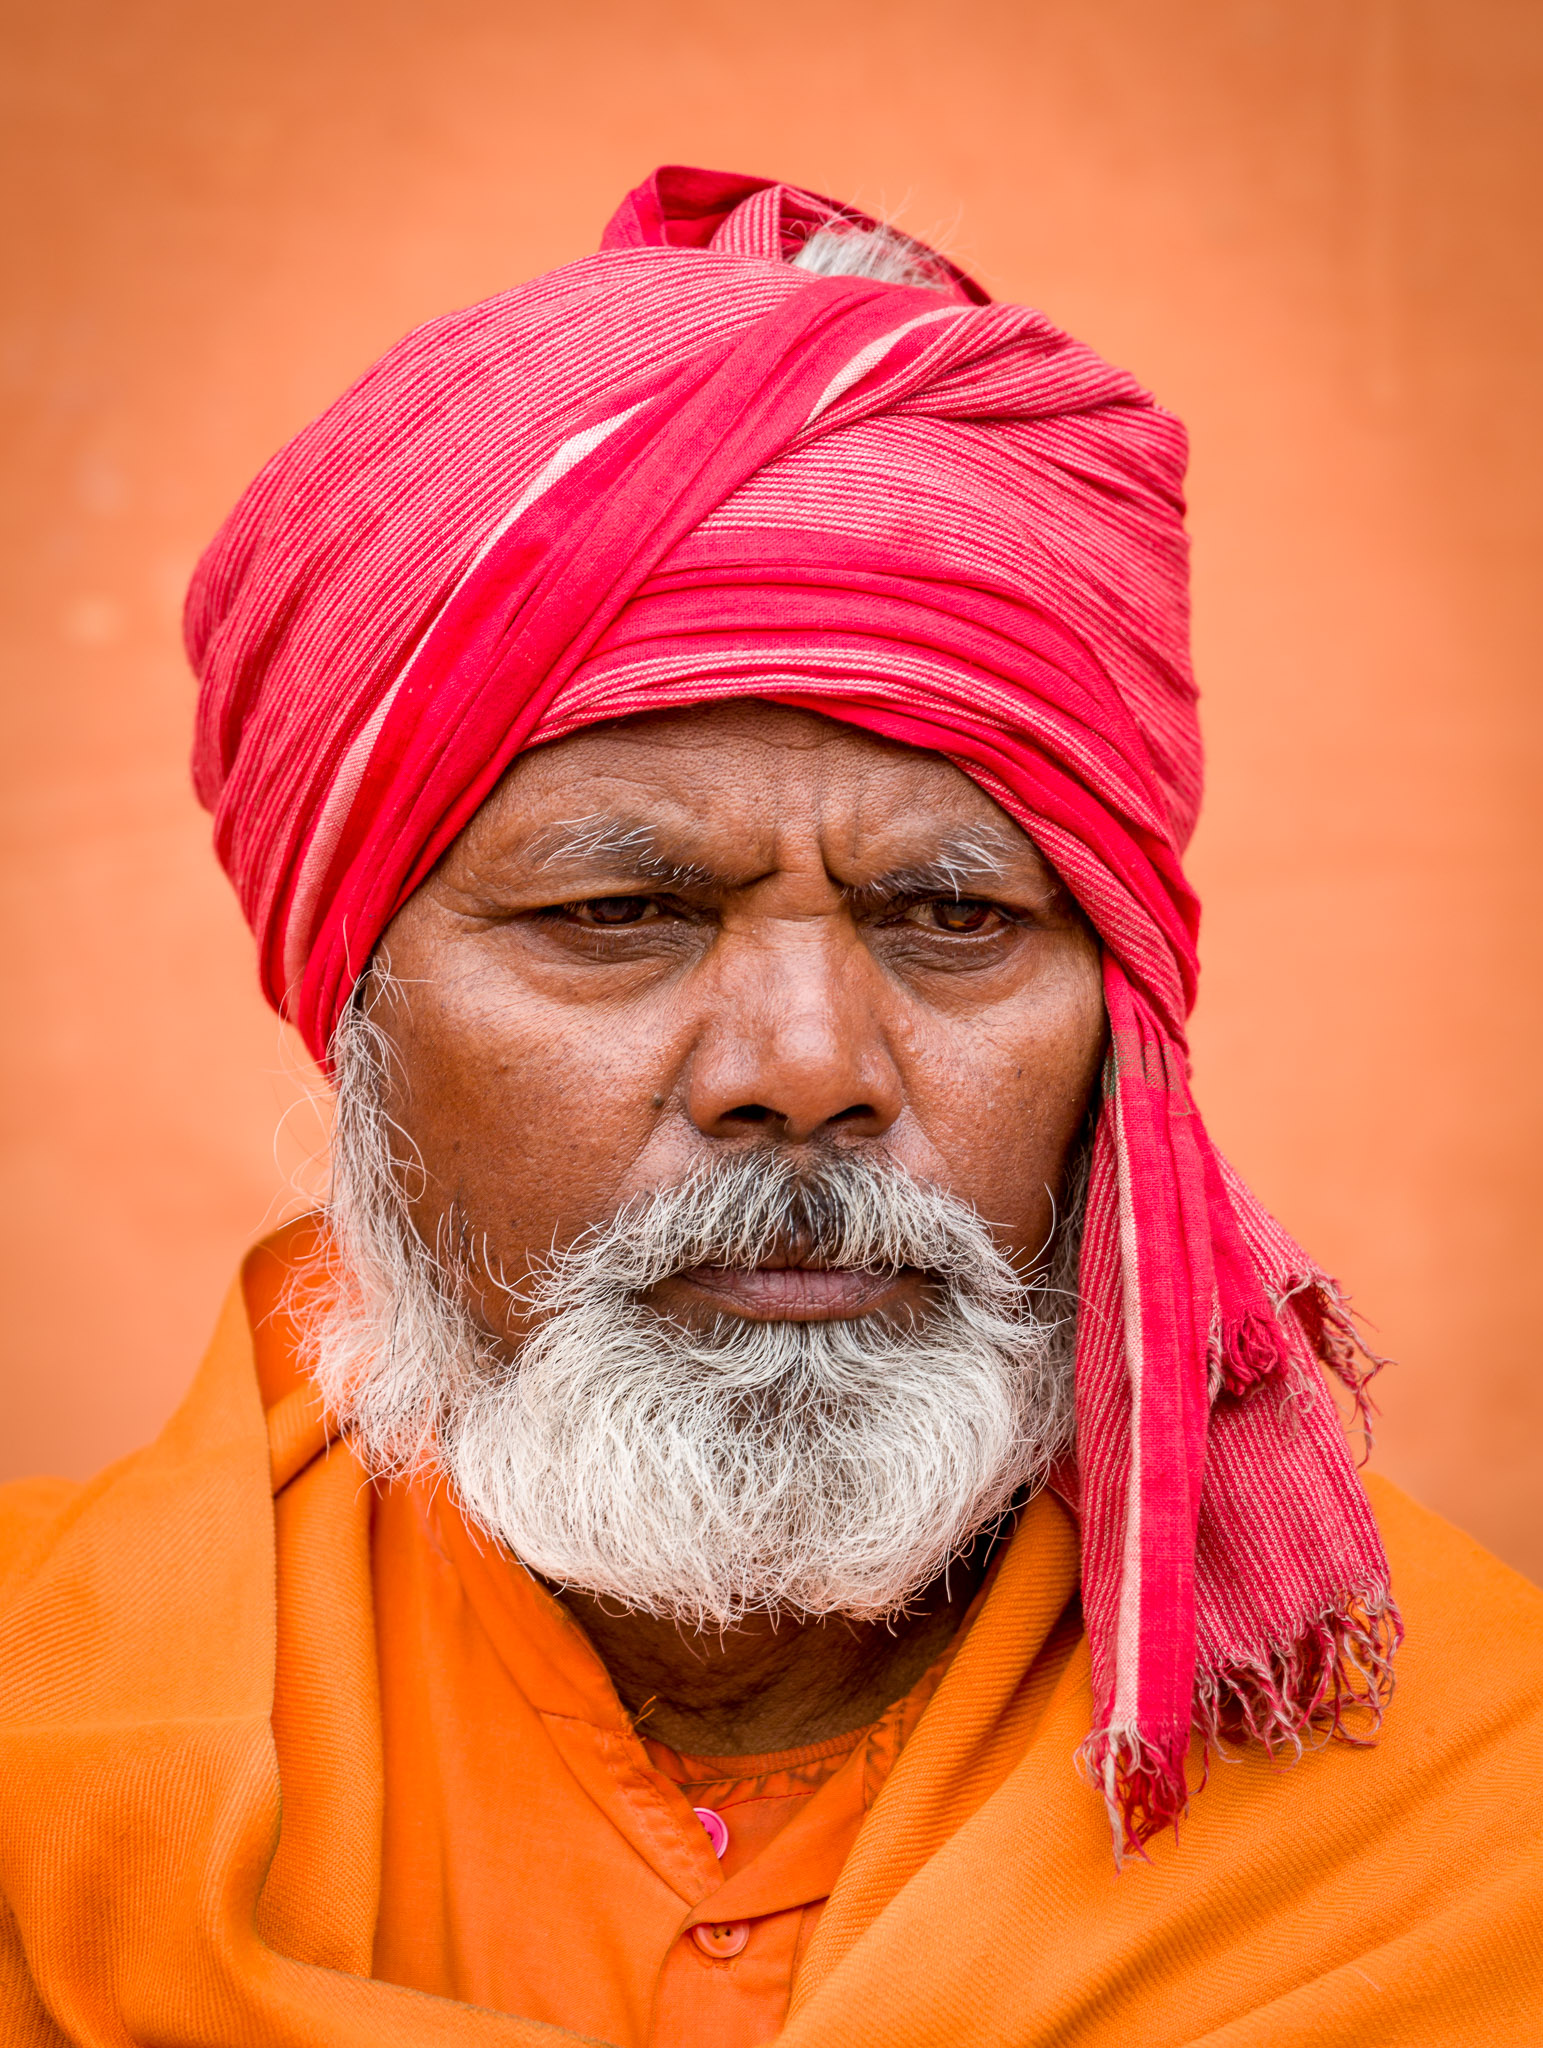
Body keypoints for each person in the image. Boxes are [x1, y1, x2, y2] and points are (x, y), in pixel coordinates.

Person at [1, 166, 1538, 2048]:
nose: (806, 1068)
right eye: (616, 917)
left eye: (956, 918)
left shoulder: (1475, 1810)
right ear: (361, 1016)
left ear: (1118, 1021)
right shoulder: (36, 1751)